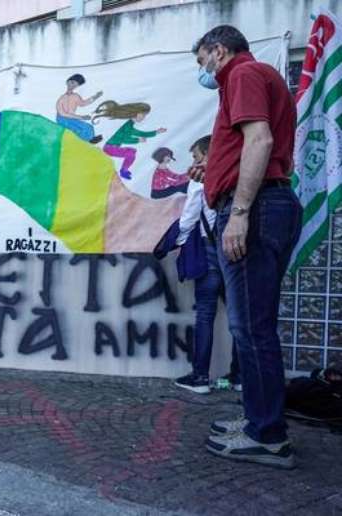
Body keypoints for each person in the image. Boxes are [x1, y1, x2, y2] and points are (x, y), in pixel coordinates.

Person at [192, 25, 301, 469]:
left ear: (219, 50)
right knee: (253, 325)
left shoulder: (241, 74)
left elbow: (260, 140)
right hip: (260, 204)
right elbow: (248, 145)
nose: (204, 72)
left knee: (251, 328)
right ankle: (259, 420)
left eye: (203, 62)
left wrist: (238, 213)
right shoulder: (255, 78)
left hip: (254, 210)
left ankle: (268, 435)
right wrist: (212, 174)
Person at [172, 135, 240, 395]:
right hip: (236, 250)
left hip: (210, 252)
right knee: (239, 317)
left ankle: (200, 377)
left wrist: (176, 241)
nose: (194, 162)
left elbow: (189, 216)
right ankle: (239, 377)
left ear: (207, 155)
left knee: (205, 315)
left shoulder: (200, 180)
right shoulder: (235, 176)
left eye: (197, 157)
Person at [94, 101, 167, 180]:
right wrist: (137, 140)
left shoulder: (130, 125)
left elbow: (142, 133)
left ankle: (124, 170)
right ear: (137, 113)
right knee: (130, 153)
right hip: (109, 148)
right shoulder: (128, 126)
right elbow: (124, 139)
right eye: (143, 115)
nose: (144, 118)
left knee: (132, 152)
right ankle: (123, 171)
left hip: (111, 148)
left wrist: (156, 132)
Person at [55, 74, 104, 144]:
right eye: (72, 83)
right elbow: (62, 113)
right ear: (67, 82)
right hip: (62, 119)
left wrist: (95, 97)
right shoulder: (61, 98)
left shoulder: (75, 96)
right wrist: (81, 117)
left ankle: (90, 140)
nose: (73, 86)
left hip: (72, 118)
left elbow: (83, 103)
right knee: (76, 129)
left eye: (75, 85)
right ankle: (81, 141)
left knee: (88, 127)